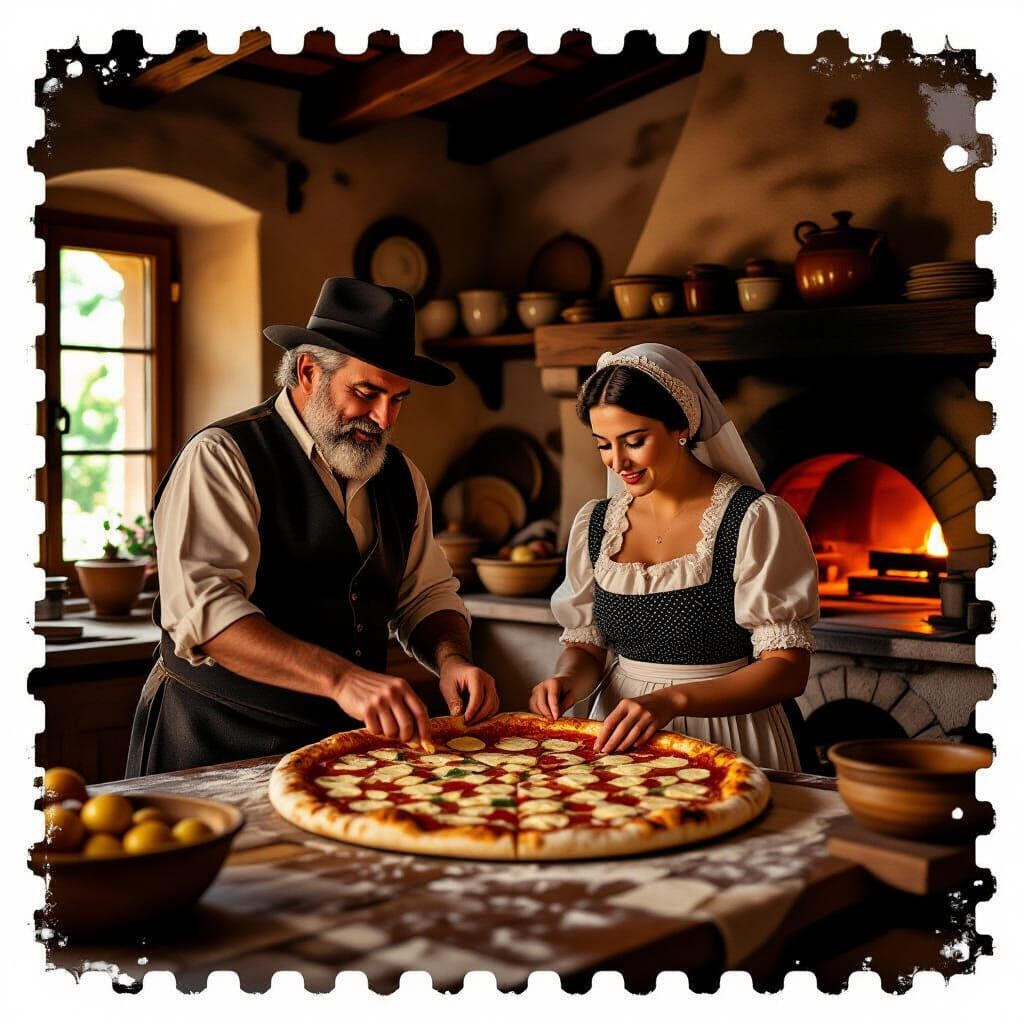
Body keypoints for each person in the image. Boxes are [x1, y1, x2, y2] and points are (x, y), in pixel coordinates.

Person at [126, 278, 499, 776]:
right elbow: (206, 612)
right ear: (307, 372)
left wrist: (452, 659)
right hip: (214, 746)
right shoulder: (222, 456)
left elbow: (426, 595)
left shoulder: (400, 477)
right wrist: (342, 678)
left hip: (342, 753)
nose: (384, 417)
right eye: (366, 392)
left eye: (398, 399)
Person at [529, 343, 818, 770]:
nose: (617, 462)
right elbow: (588, 647)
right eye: (603, 445)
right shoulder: (595, 524)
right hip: (621, 733)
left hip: (731, 734)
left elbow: (788, 670)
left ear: (681, 426)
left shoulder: (754, 519)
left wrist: (673, 700)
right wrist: (565, 680)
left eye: (634, 441)